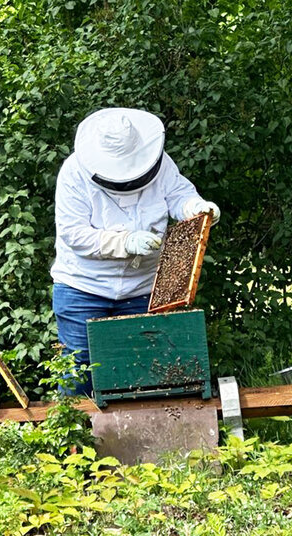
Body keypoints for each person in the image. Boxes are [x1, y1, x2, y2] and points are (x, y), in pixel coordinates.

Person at [51, 107, 220, 395]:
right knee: (80, 374)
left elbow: (179, 194)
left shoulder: (160, 163)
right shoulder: (73, 173)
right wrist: (124, 242)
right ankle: (78, 439)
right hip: (83, 289)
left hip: (142, 289)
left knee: (144, 374)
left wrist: (195, 208)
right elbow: (74, 234)